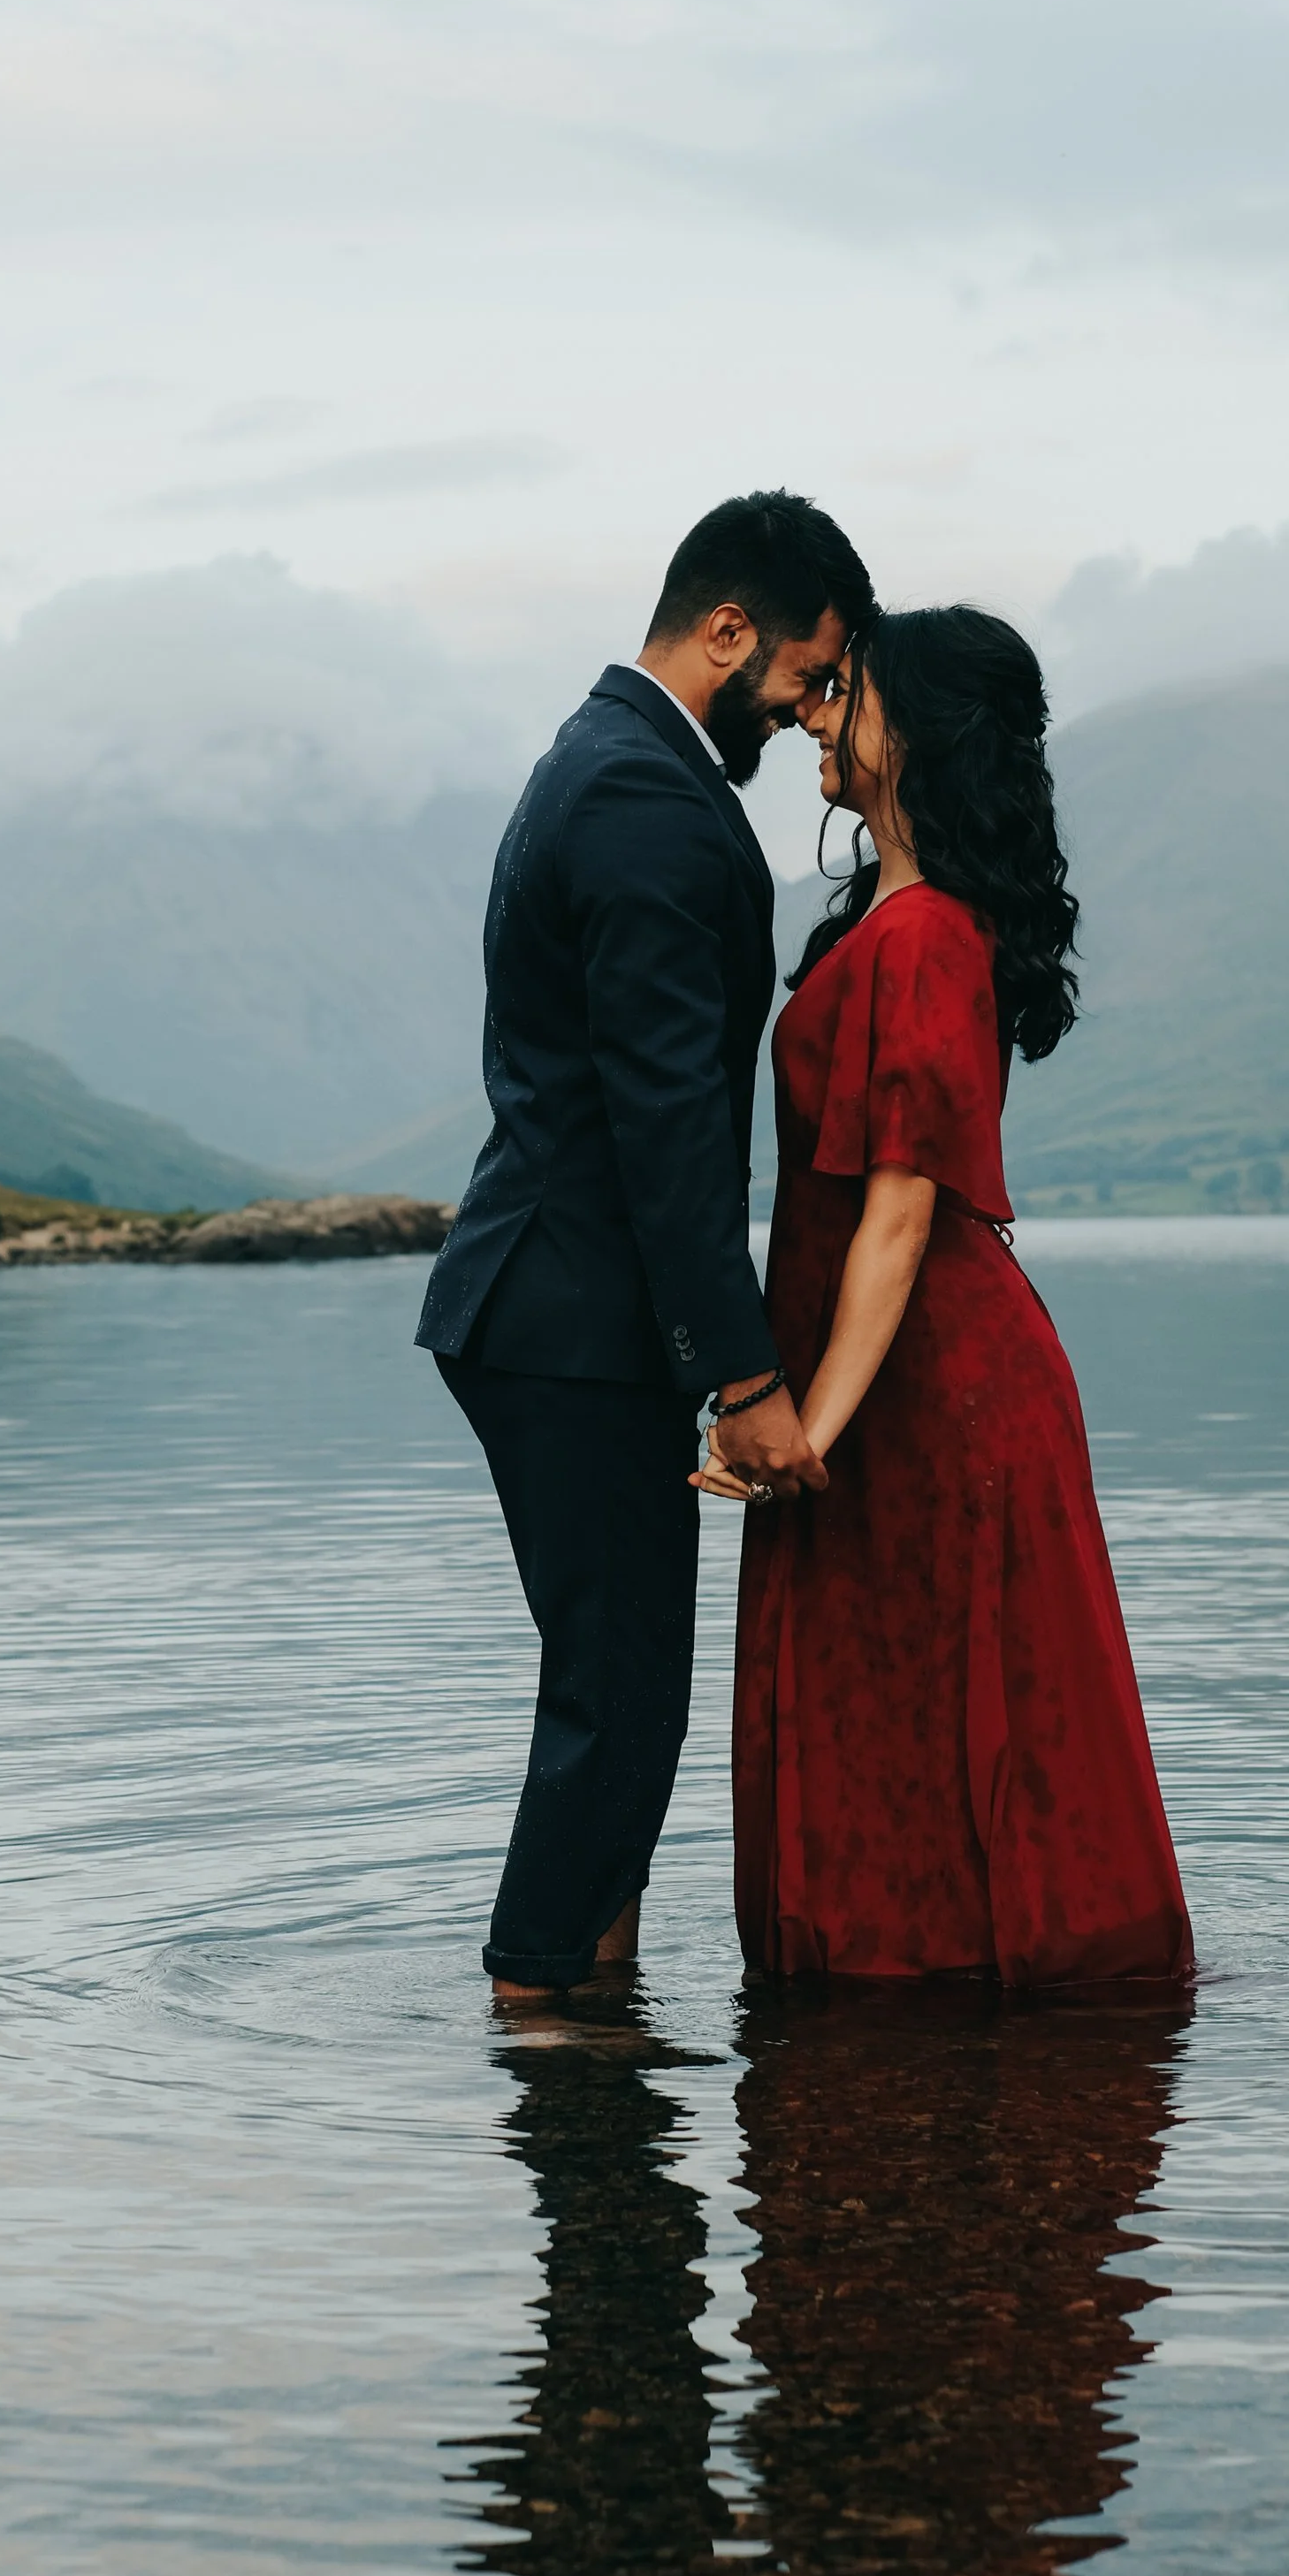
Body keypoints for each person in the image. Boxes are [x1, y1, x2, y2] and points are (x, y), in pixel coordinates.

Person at [419, 490, 874, 1998]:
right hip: (570, 1319)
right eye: (804, 673)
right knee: (617, 1705)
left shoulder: (607, 756)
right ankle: (547, 2016)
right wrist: (742, 1375)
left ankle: (593, 2007)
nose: (806, 708)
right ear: (727, 628)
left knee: (620, 1698)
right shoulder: (641, 797)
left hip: (559, 1309)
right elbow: (665, 1118)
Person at [705, 603, 1193, 1987]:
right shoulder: (885, 919)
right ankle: (916, 2031)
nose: (814, 709)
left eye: (843, 693)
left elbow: (902, 1207)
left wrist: (807, 1426)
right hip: (892, 1383)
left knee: (933, 1711)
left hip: (924, 1394)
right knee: (900, 1714)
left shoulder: (920, 937)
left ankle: (941, 2016)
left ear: (914, 731)